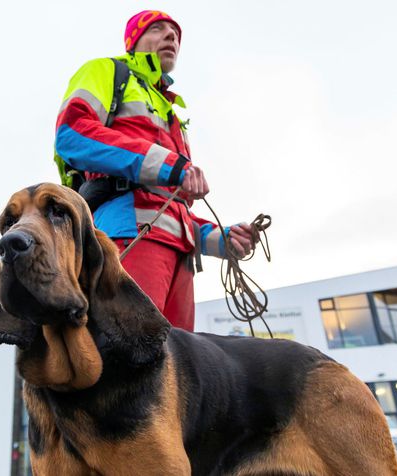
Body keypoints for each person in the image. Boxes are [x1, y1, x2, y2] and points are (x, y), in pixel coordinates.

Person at [54, 10, 258, 331]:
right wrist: (168, 164)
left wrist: (222, 239)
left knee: (174, 369)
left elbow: (171, 206)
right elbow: (72, 134)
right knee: (131, 359)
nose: (171, 37)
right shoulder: (107, 71)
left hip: (182, 261)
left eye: (175, 33)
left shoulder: (172, 113)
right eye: (158, 29)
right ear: (134, 40)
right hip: (126, 236)